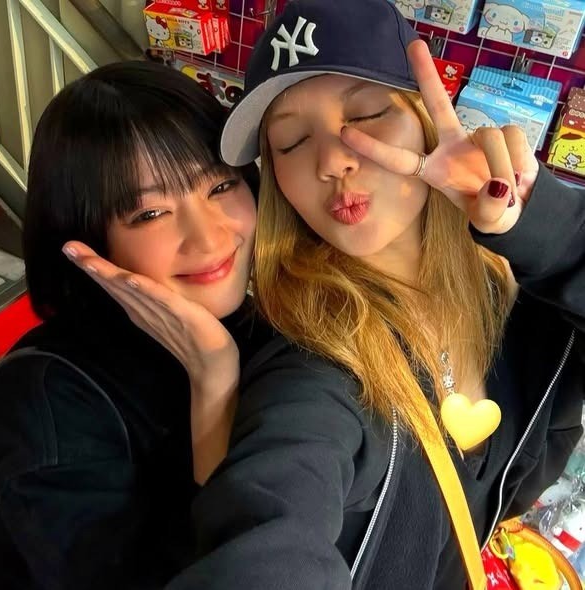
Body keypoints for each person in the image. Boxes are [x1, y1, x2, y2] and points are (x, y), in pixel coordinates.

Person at [65, 2, 584, 588]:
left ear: (427, 121)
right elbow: (273, 522)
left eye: (367, 116)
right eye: (290, 142)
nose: (333, 161)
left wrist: (542, 228)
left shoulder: (516, 284)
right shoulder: (313, 368)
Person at [0, 60, 265, 590]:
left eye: (219, 186)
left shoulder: (250, 317)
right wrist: (214, 382)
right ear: (85, 240)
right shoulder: (44, 413)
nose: (210, 238)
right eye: (150, 214)